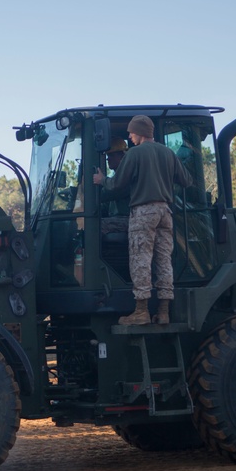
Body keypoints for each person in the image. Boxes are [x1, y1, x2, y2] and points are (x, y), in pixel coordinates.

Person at [92, 115, 193, 325]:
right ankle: (164, 311)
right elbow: (186, 180)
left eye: (131, 132)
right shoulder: (168, 153)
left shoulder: (135, 154)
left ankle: (141, 312)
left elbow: (118, 185)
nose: (129, 136)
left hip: (144, 211)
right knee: (164, 260)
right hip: (165, 212)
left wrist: (102, 180)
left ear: (140, 132)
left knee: (141, 259)